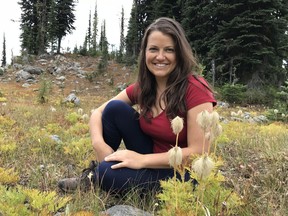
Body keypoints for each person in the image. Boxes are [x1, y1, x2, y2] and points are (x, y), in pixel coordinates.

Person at [58, 17, 216, 194]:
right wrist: (99, 144)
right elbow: (99, 112)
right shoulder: (145, 87)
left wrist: (141, 160)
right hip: (150, 159)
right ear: (145, 53)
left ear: (179, 53)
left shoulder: (195, 89)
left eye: (169, 50)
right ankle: (94, 175)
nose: (160, 57)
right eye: (153, 49)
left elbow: (198, 153)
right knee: (114, 109)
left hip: (182, 172)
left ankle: (97, 177)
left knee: (107, 174)